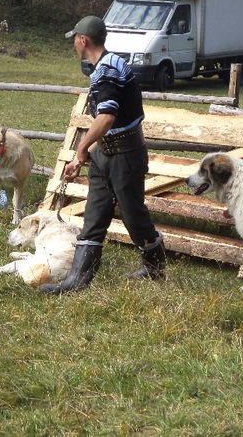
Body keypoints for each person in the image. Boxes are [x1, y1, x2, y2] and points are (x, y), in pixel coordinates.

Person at [39, 15, 166, 295]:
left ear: (83, 40)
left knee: (134, 217)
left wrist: (82, 147)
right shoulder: (108, 65)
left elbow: (107, 118)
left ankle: (156, 268)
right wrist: (82, 157)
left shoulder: (107, 70)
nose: (73, 44)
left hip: (125, 156)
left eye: (74, 39)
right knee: (95, 215)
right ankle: (77, 281)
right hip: (106, 154)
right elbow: (112, 124)